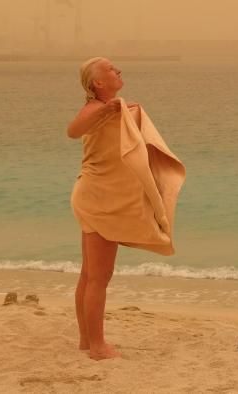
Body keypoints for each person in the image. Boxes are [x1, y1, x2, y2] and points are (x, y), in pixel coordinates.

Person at [67, 57, 186, 361]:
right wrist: (107, 109)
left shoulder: (118, 109)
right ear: (98, 83)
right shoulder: (94, 109)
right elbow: (73, 130)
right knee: (99, 277)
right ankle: (97, 346)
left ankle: (85, 340)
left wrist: (121, 110)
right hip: (99, 199)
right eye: (110, 69)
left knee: (89, 273)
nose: (117, 70)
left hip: (99, 196)